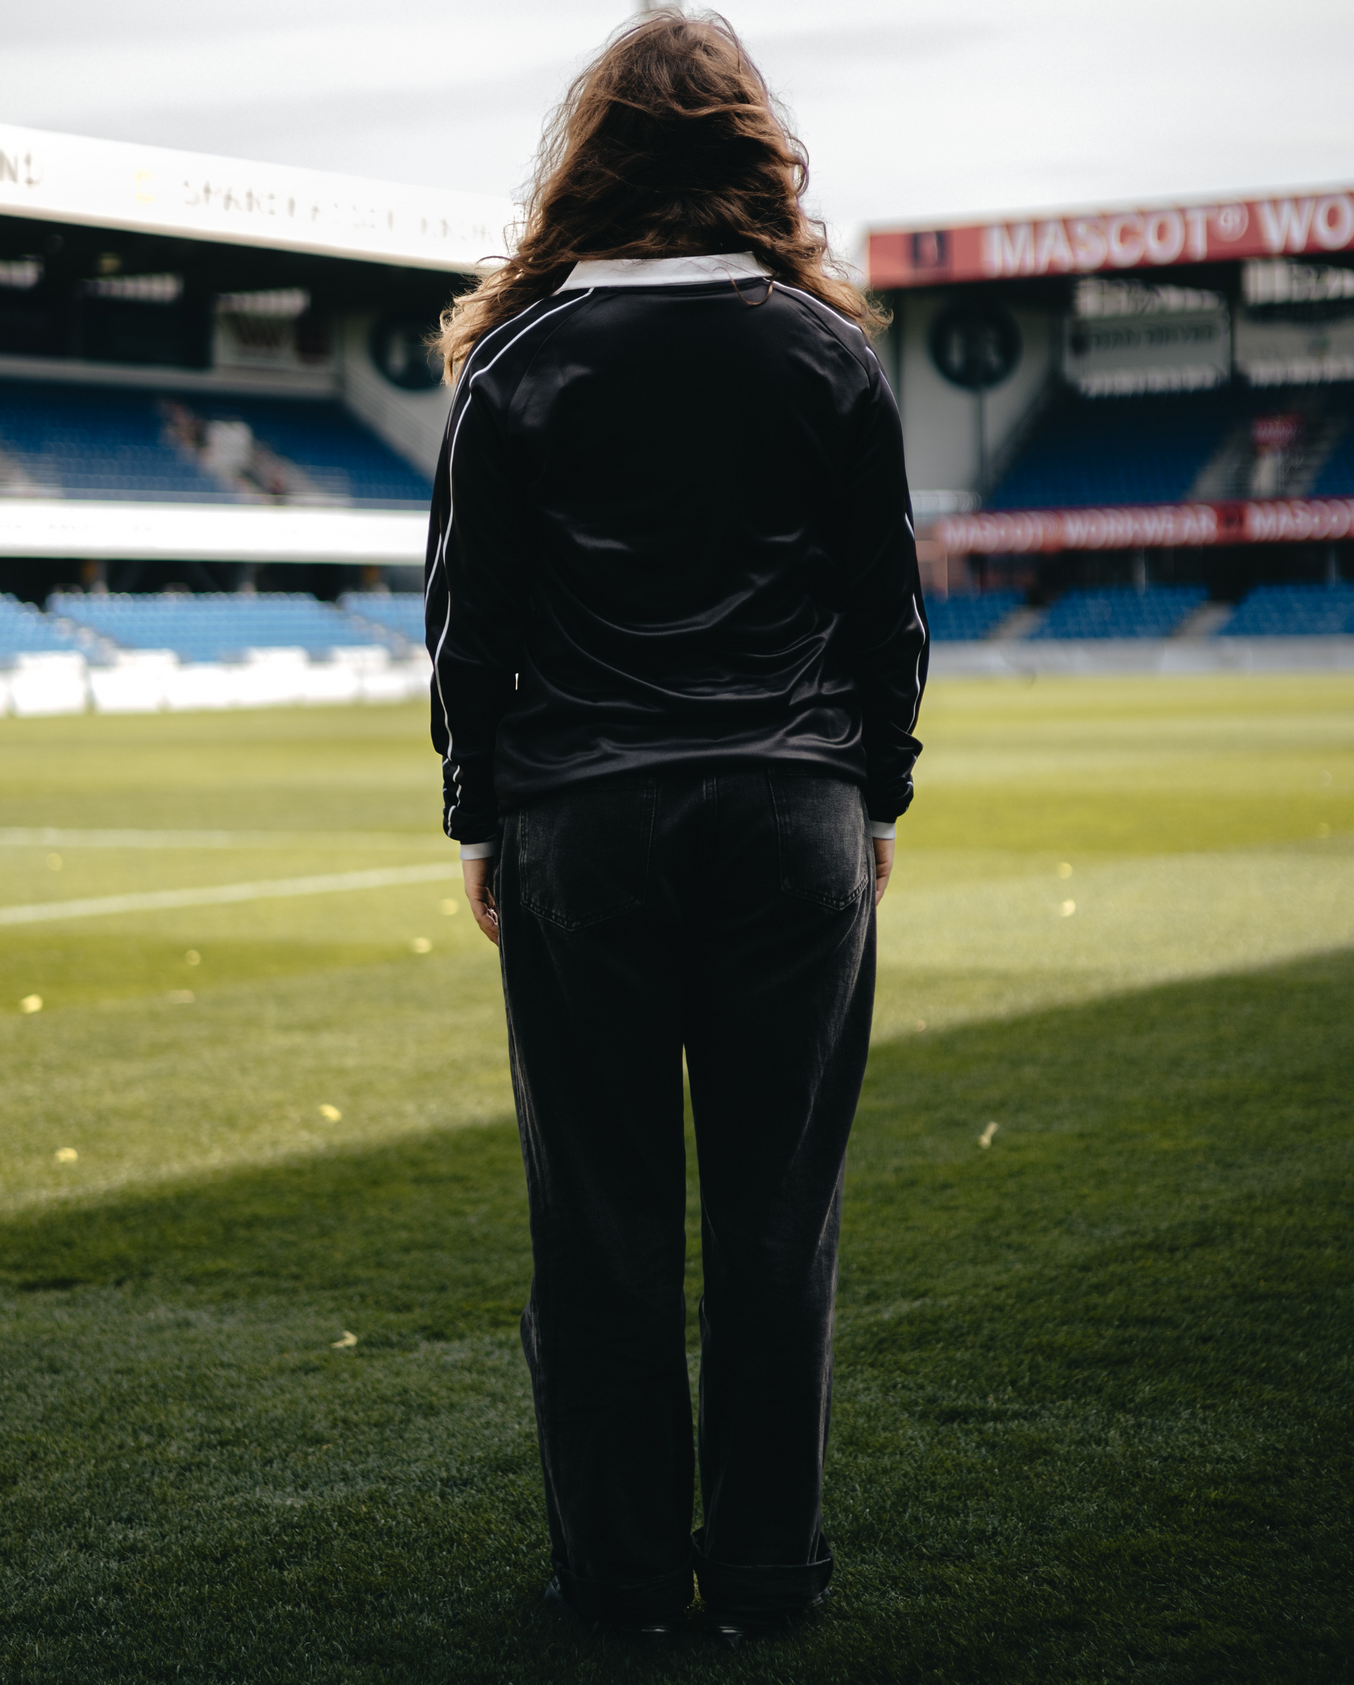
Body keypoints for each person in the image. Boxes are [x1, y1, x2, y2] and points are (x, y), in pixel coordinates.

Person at [424, 8, 927, 1647]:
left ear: (592, 160)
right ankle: (770, 1578)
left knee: (604, 1227)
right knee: (781, 1221)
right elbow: (887, 614)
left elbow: (470, 629)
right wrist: (878, 795)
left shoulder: (516, 360)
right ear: (748, 154)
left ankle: (626, 1585)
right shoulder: (827, 350)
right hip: (793, 812)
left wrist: (481, 818)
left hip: (588, 822)